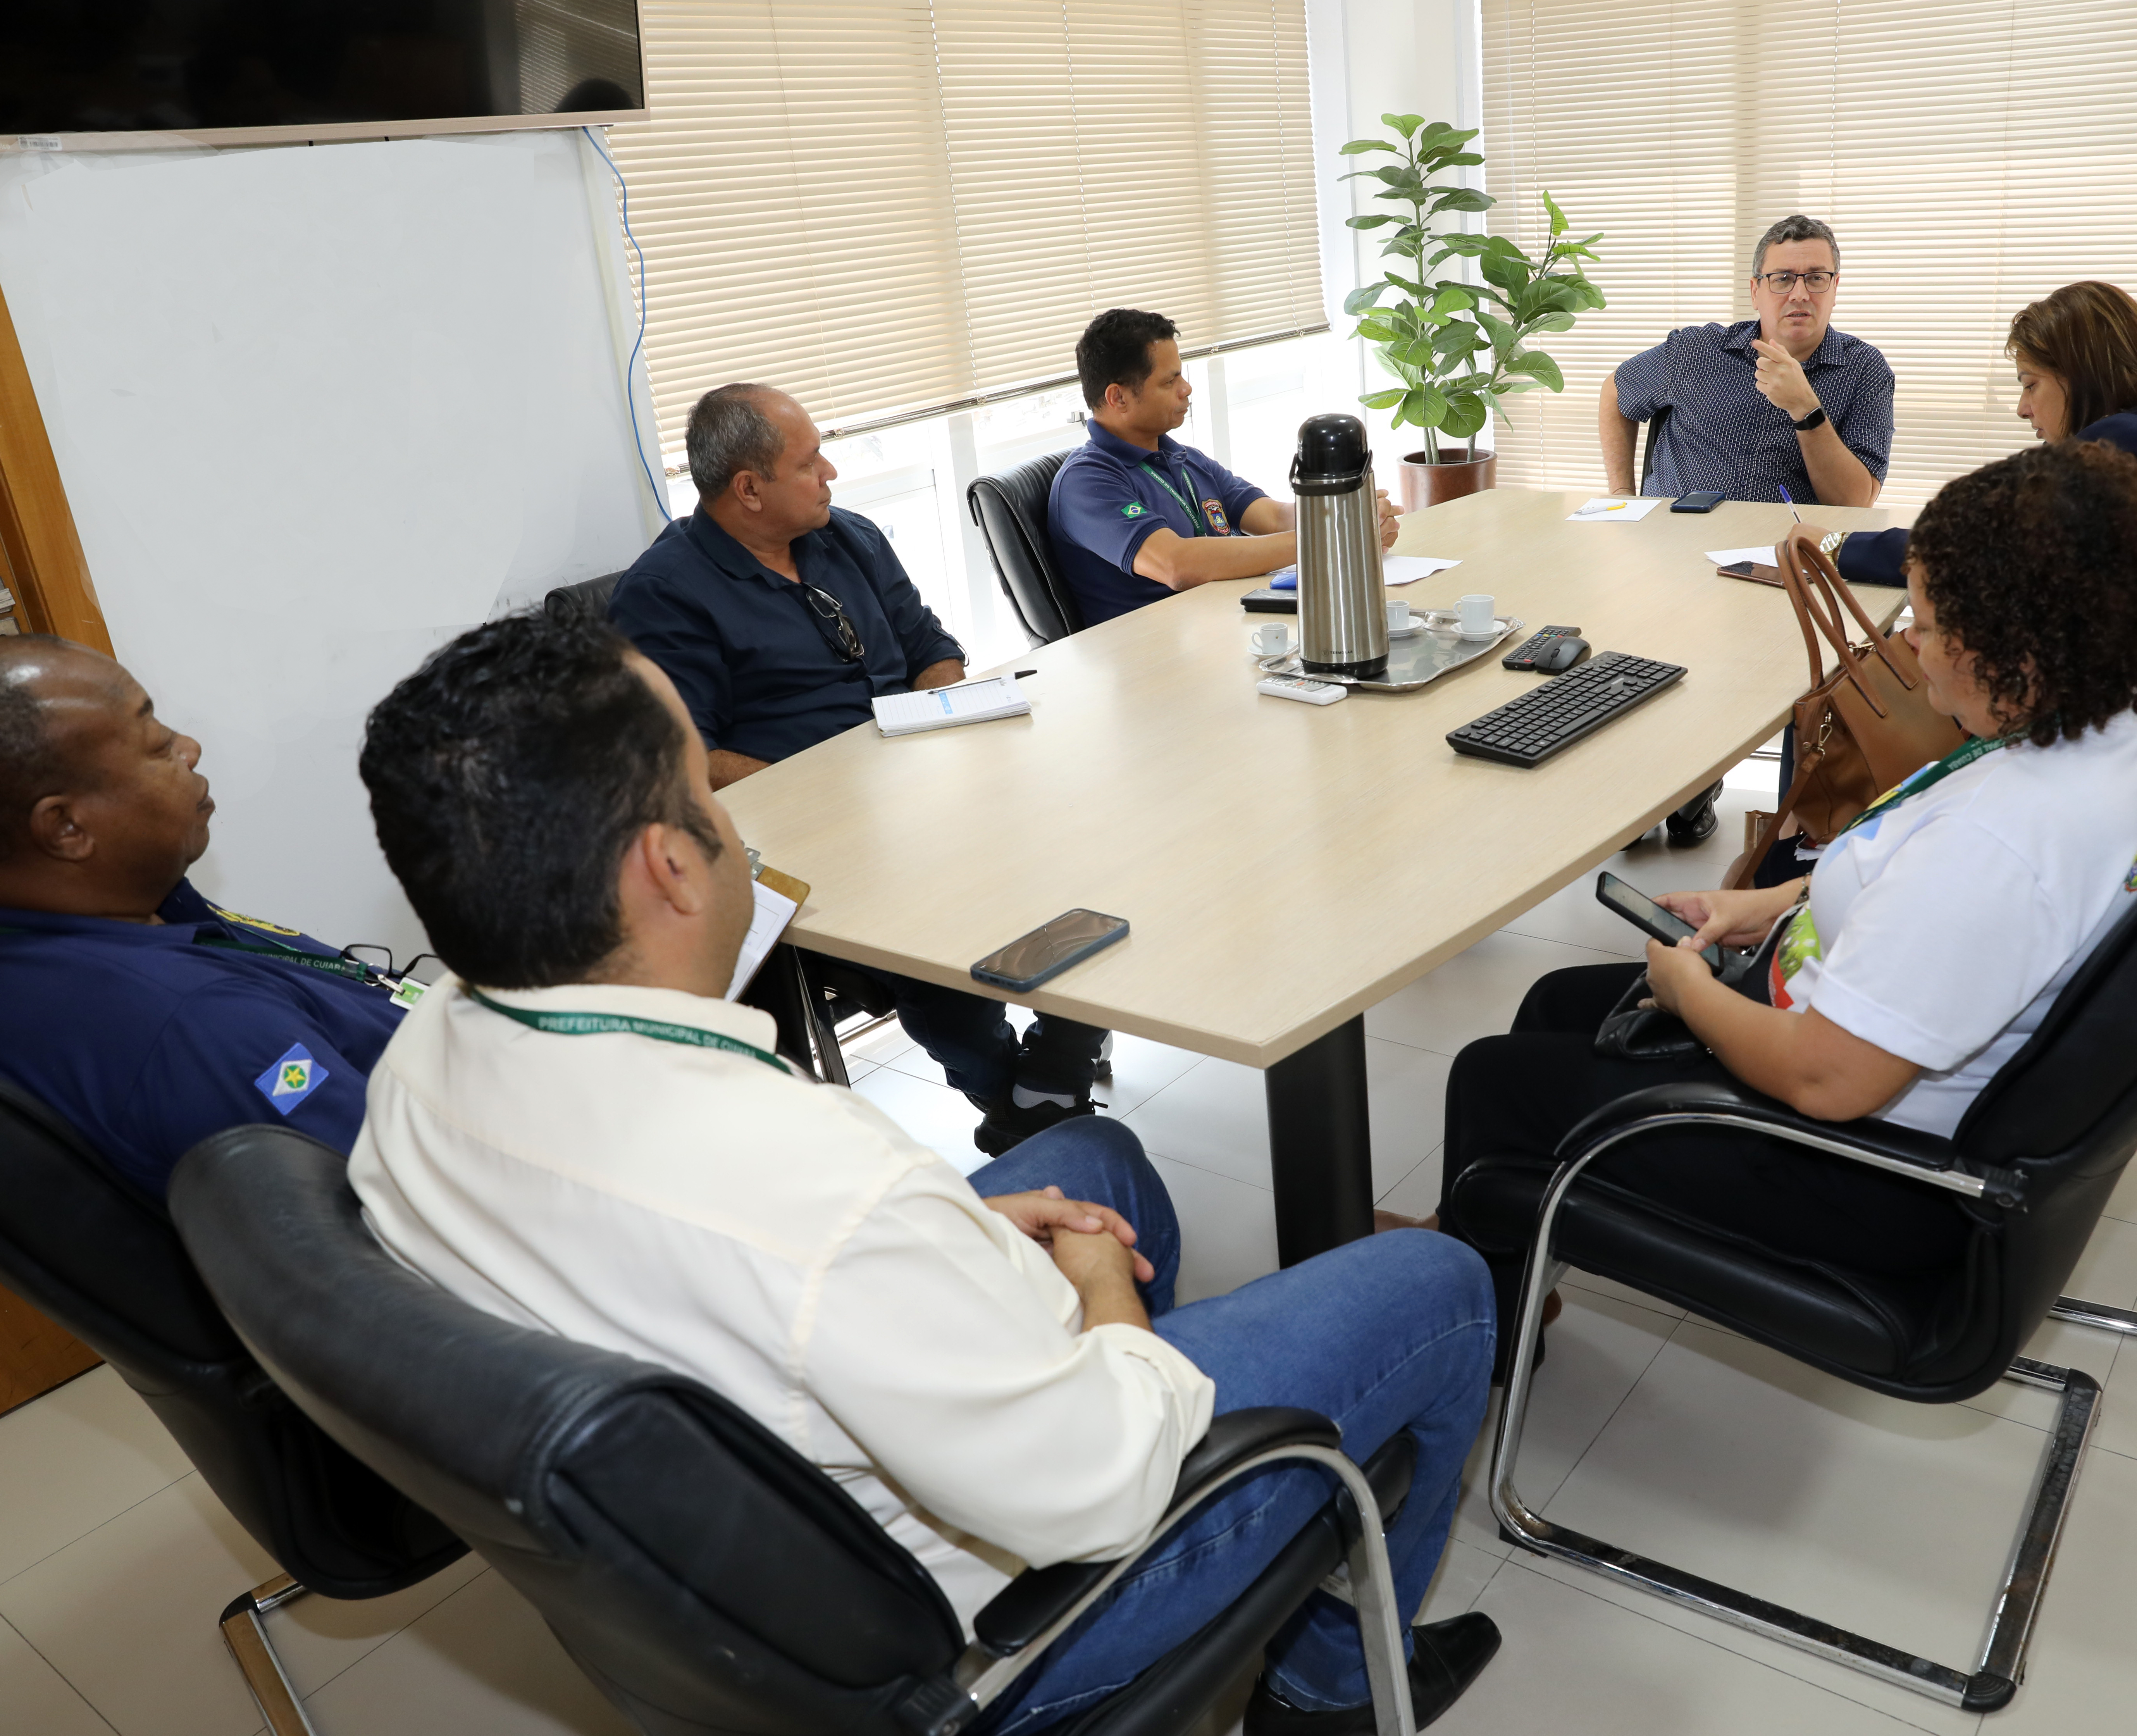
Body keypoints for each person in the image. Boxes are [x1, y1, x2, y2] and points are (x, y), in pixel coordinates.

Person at [349, 608, 1502, 1736]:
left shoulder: (416, 1061)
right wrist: (1101, 1293)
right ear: (672, 868)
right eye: (708, 787)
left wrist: (956, 1233)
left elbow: (777, 1257)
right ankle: (1332, 1692)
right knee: (1436, 1283)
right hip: (974, 1642)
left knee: (1099, 1158)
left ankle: (1183, 1496)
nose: (730, 819)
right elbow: (1103, 1482)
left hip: (739, 1522)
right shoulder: (822, 1195)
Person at [1437, 442, 2137, 1357]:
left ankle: (1456, 1342)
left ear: (2015, 651)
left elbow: (1825, 1079)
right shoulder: (2132, 728)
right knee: (1555, 1004)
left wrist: (1693, 995)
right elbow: (1927, 871)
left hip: (1867, 1174)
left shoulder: (2002, 848)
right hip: (1887, 1059)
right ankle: (1506, 1275)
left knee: (1492, 1079)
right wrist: (1777, 902)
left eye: (1928, 624)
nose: (1908, 642)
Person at [612, 381, 1109, 1154]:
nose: (831, 474)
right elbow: (691, 759)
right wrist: (841, 786)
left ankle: (1056, 1062)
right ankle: (1009, 1084)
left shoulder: (850, 537)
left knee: (1099, 832)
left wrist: (937, 721)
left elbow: (932, 648)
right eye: (809, 462)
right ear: (749, 489)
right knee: (934, 935)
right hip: (808, 831)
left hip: (922, 786)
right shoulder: (664, 595)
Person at [0, 637, 406, 1196]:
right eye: (158, 745)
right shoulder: (201, 1025)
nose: (191, 749)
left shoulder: (67, 924)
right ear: (66, 828)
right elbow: (428, 1192)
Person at [1823, 279, 2137, 586]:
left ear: (2084, 378)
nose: (2022, 409)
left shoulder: (2123, 446)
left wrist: (1836, 548)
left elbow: (1979, 550)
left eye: (2031, 385)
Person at [1048, 308, 1398, 627]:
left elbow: (1273, 517)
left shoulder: (1185, 458)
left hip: (1225, 627)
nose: (1187, 388)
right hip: (1159, 655)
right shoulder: (1086, 482)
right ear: (1118, 398)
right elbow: (1177, 565)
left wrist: (1350, 515)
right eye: (1169, 382)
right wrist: (1331, 538)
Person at [1598, 214, 1895, 509]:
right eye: (1783, 279)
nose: (1800, 295)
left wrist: (1805, 408)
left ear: (1835, 288)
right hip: (1675, 532)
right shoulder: (1695, 349)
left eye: (1816, 278)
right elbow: (1615, 392)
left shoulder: (1864, 368)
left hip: (1787, 539)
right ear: (1756, 292)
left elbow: (1855, 502)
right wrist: (1622, 493)